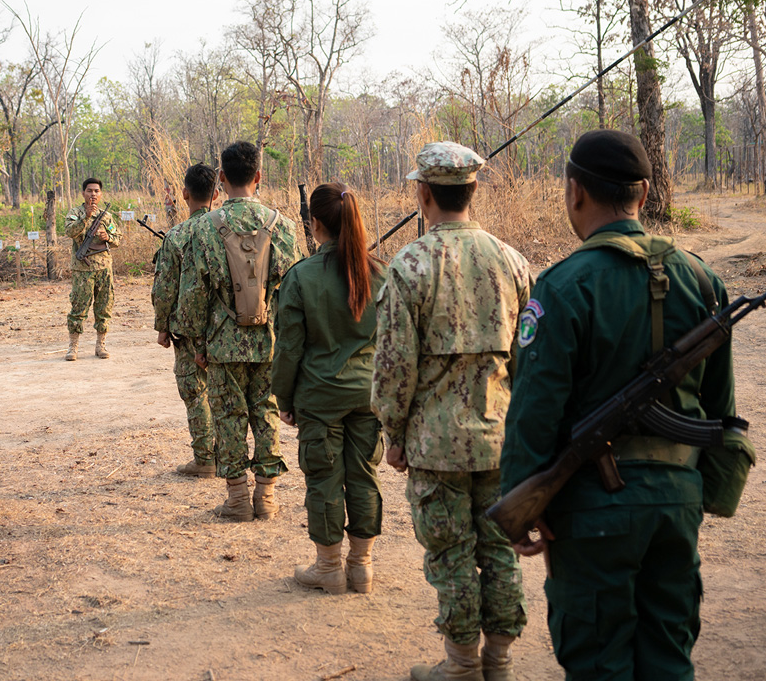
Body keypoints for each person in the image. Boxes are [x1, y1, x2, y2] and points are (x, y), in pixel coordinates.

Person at [500, 130, 736, 680]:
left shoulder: (562, 287)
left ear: (574, 192)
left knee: (599, 663)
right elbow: (720, 410)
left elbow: (533, 412)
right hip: (677, 504)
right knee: (668, 657)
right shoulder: (703, 280)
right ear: (646, 193)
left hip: (591, 511)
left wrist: (521, 501)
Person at [372, 142, 532, 681]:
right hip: (501, 437)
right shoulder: (512, 262)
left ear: (422, 194)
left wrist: (392, 432)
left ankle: (462, 666)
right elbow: (529, 359)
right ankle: (499, 663)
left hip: (434, 443)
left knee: (450, 552)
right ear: (474, 190)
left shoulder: (410, 265)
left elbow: (394, 366)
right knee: (500, 548)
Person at [175, 140, 303, 521]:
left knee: (228, 416)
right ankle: (266, 497)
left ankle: (236, 499)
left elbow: (193, 293)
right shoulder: (284, 227)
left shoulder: (205, 229)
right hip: (269, 343)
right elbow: (294, 290)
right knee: (265, 412)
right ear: (259, 176)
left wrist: (197, 343)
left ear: (222, 179)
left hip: (222, 342)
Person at [272, 182, 386, 595]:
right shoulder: (380, 273)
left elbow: (289, 346)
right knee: (364, 475)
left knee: (323, 478)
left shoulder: (301, 277)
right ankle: (362, 567)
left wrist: (283, 397)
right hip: (369, 395)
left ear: (315, 223)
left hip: (320, 396)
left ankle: (328, 568)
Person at [152, 163, 220, 478]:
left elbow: (165, 288)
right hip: (228, 329)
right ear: (216, 195)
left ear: (185, 193)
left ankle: (205, 458)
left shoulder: (178, 235)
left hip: (189, 329)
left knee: (195, 391)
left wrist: (163, 326)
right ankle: (227, 455)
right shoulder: (228, 230)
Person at [63, 177, 122, 361]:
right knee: (79, 307)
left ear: (101, 194)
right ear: (83, 193)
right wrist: (86, 218)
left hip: (104, 268)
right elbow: (70, 232)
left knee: (104, 307)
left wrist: (108, 237)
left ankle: (100, 344)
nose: (93, 194)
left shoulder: (106, 216)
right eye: (89, 191)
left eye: (96, 191)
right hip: (82, 270)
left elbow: (117, 239)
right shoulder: (75, 213)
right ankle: (73, 346)